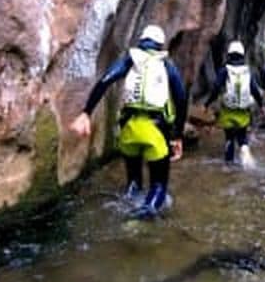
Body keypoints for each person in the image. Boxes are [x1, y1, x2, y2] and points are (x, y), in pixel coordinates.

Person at [70, 24, 187, 218]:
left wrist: (86, 113)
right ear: (160, 45)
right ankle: (142, 217)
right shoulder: (166, 65)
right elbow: (181, 99)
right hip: (155, 132)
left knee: (134, 181)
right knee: (159, 185)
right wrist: (177, 136)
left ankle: (128, 204)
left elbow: (105, 80)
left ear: (141, 41)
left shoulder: (130, 60)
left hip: (129, 131)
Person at [204, 40, 264, 165]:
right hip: (243, 110)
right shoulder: (247, 71)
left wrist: (207, 103)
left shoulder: (225, 70)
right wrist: (261, 104)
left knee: (229, 137)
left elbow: (216, 87)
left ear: (229, 54)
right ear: (242, 55)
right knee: (242, 136)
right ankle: (244, 149)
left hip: (228, 109)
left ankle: (228, 165)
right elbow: (254, 89)